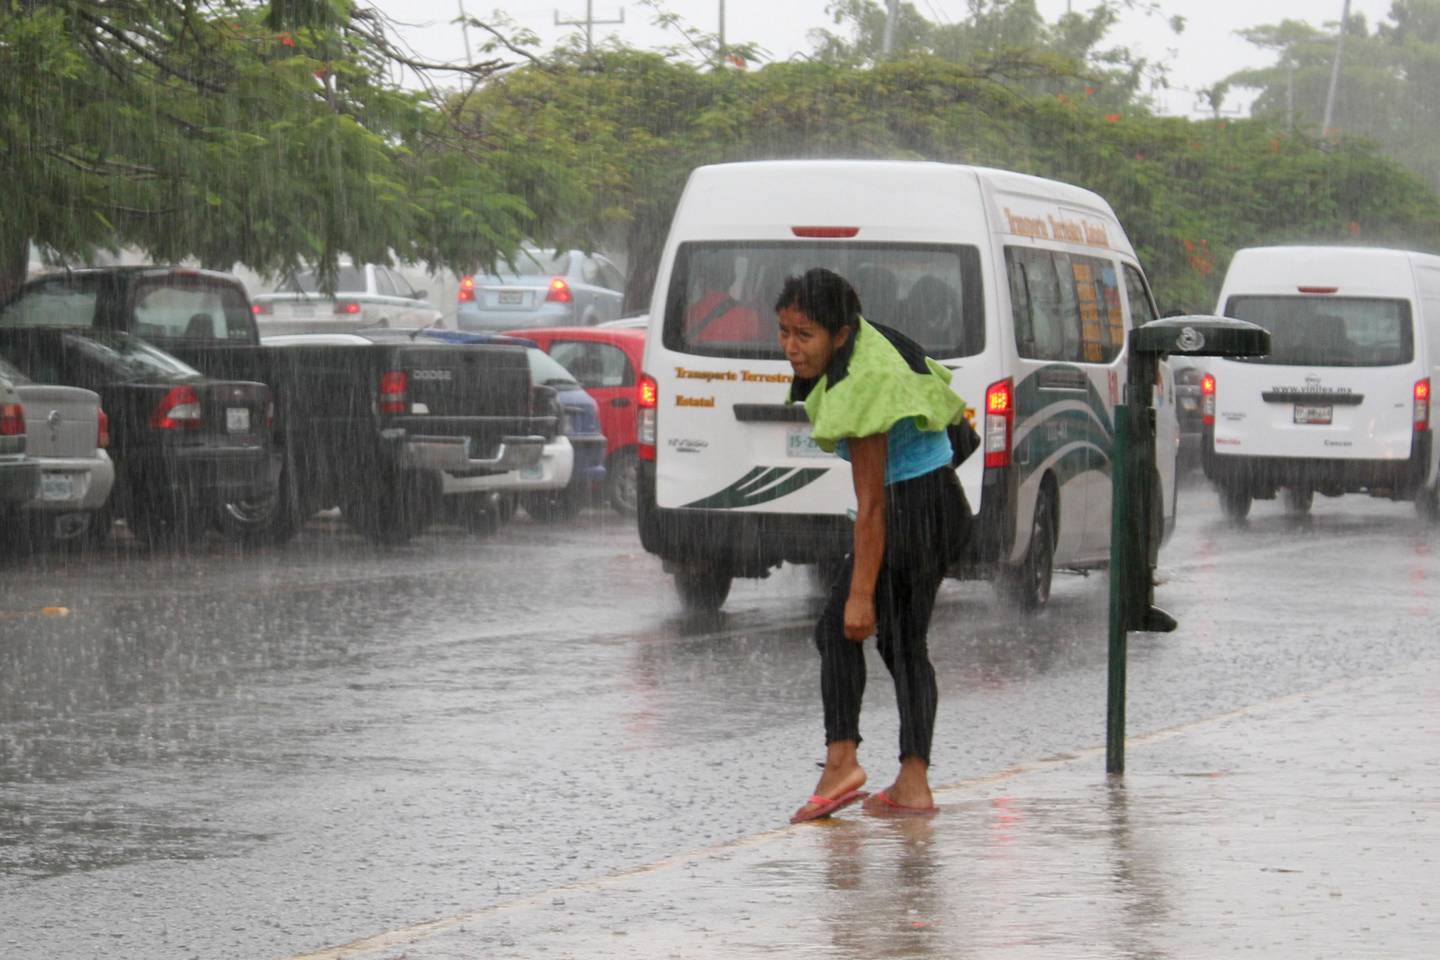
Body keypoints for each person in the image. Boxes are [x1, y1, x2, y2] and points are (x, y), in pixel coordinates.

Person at [778, 267, 971, 823]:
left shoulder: (862, 380)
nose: (792, 347)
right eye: (786, 331)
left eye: (805, 334)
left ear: (839, 335)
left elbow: (873, 507)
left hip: (909, 510)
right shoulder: (873, 339)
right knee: (904, 645)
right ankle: (912, 784)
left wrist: (861, 595)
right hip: (938, 503)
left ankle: (842, 764)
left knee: (839, 630)